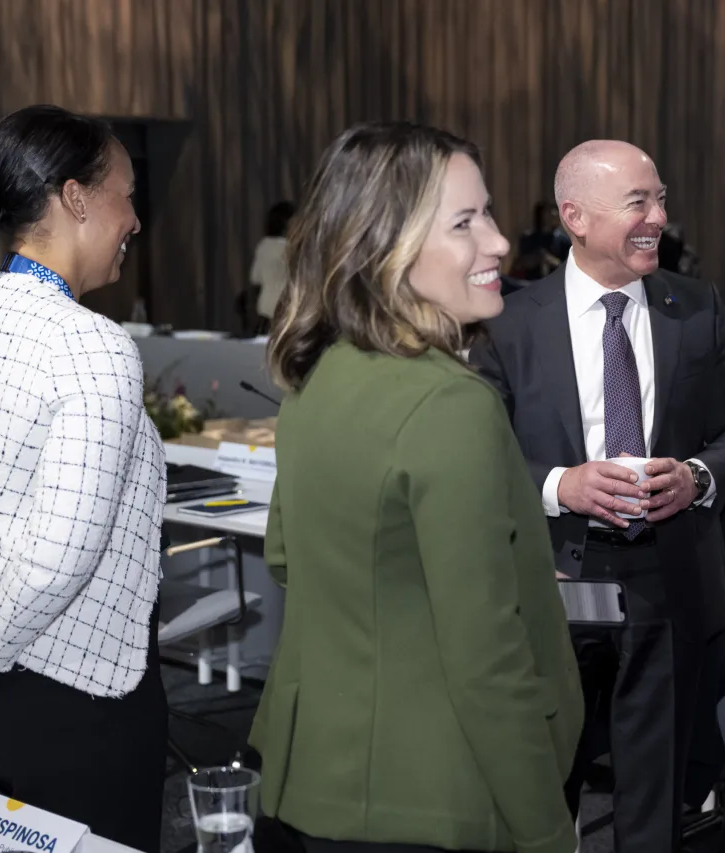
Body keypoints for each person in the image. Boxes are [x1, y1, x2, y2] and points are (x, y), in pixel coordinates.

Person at [250, 120, 583, 853]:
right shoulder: (449, 405)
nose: (498, 242)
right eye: (465, 222)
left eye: (487, 213)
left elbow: (286, 556)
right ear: (385, 248)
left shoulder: (317, 378)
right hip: (435, 798)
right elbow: (486, 656)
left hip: (312, 783)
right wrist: (549, 830)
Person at [470, 140, 725, 853]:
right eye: (640, 202)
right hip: (550, 579)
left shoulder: (695, 306)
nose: (659, 217)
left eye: (660, 199)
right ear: (575, 215)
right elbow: (480, 447)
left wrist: (697, 476)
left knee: (653, 796)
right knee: (540, 784)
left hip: (667, 576)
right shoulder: (506, 318)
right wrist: (558, 485)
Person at [0, 105, 168, 850]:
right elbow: (58, 556)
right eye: (126, 193)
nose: (136, 219)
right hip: (75, 702)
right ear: (76, 197)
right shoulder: (92, 346)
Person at [251, 200, 296, 331]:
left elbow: (256, 279)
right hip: (287, 310)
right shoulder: (290, 249)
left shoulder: (263, 245)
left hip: (265, 309)